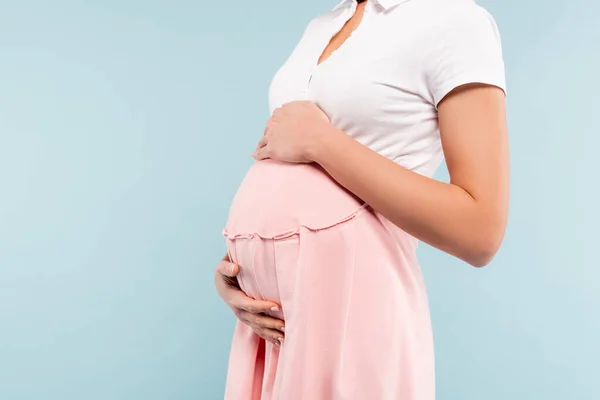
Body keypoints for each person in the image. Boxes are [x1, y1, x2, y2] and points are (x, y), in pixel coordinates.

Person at [214, 0, 509, 398]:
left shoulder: (454, 20)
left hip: (354, 305)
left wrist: (322, 142)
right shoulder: (323, 24)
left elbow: (480, 232)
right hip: (272, 324)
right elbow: (288, 156)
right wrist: (245, 270)